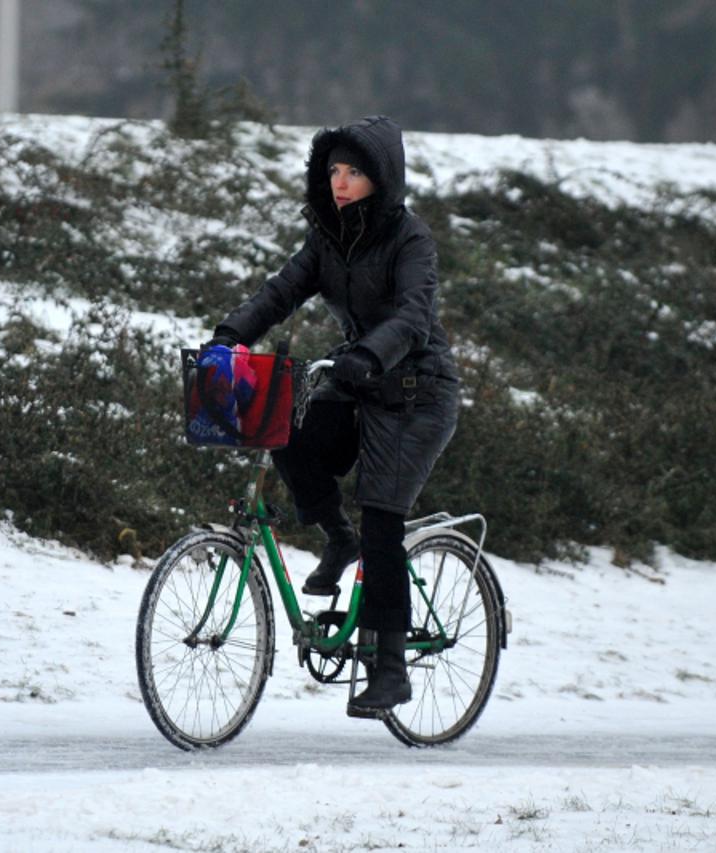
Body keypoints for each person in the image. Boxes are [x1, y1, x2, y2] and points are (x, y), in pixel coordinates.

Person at [205, 116, 460, 713]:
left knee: (382, 519)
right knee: (288, 440)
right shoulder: (326, 236)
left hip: (417, 392)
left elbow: (414, 315)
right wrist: (229, 337)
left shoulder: (410, 239)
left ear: (383, 178)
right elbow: (279, 291)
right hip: (357, 381)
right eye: (333, 171)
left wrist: (370, 354)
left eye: (354, 172)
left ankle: (391, 668)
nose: (340, 183)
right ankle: (337, 538)